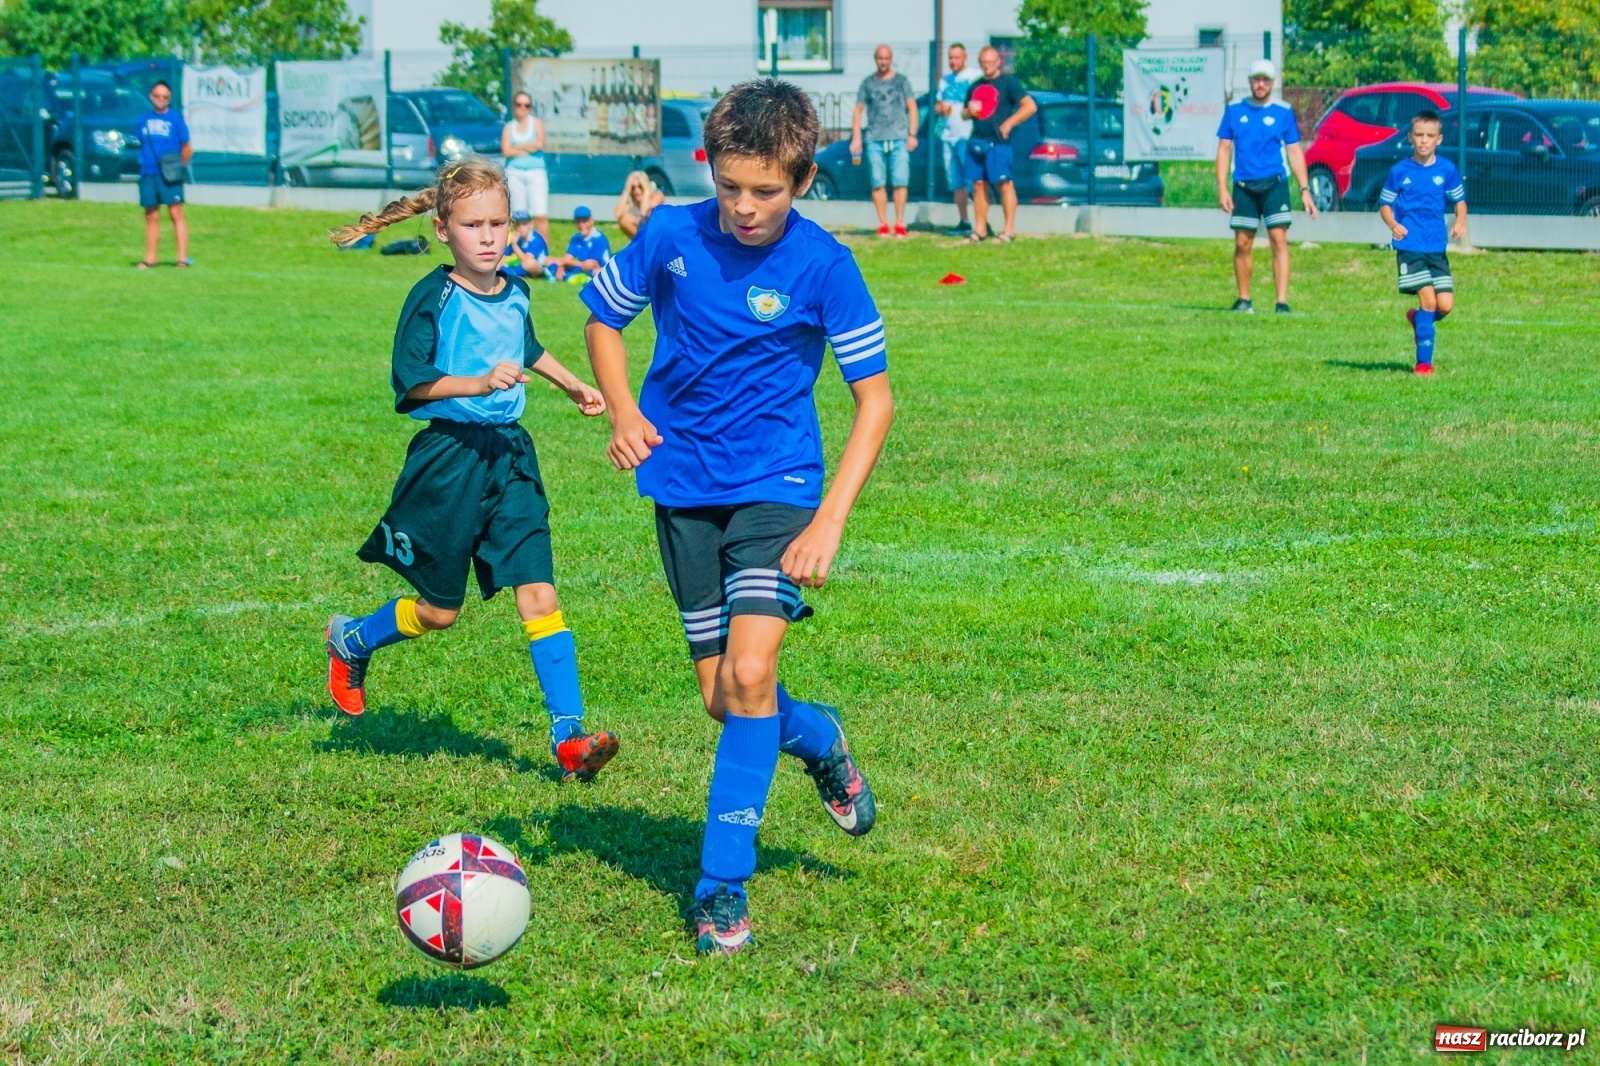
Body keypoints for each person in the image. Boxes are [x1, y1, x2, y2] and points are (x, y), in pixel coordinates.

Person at [581, 80, 894, 955]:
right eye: (731, 187)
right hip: (681, 489)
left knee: (750, 673)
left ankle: (721, 887)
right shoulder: (670, 235)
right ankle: (820, 737)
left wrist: (827, 520)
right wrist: (621, 410)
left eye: (768, 191)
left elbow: (875, 402)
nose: (746, 208)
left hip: (778, 491)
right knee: (726, 699)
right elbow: (604, 321)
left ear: (803, 179)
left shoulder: (825, 264)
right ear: (707, 170)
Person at [322, 158, 619, 784]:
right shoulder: (433, 295)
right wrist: (479, 383)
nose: (488, 236)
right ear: (442, 229)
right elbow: (413, 381)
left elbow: (526, 345)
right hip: (449, 460)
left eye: (498, 223)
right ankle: (353, 641)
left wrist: (571, 384)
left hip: (511, 457)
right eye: (472, 225)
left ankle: (568, 737)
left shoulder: (515, 290)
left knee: (538, 589)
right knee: (439, 612)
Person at [1215, 59, 1318, 313]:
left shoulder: (1283, 111)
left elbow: (1294, 151)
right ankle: (1244, 300)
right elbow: (1224, 148)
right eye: (1256, 79)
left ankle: (1281, 302)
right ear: (1250, 81)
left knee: (1279, 240)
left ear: (1272, 83)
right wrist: (1222, 188)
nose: (1260, 84)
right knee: (1242, 242)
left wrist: (1305, 190)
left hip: (1275, 184)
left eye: (1265, 80)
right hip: (1244, 185)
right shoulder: (1234, 110)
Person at [1378, 110, 1468, 376]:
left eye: (1430, 136)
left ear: (1439, 139)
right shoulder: (1400, 171)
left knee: (1445, 306)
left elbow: (1459, 201)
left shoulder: (1447, 170)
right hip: (1410, 247)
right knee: (1428, 302)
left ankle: (1419, 321)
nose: (1424, 141)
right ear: (1410, 137)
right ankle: (1423, 364)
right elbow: (1385, 205)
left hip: (1436, 248)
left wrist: (1460, 219)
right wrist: (1393, 225)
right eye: (1419, 135)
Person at [962, 45, 1035, 243]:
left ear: (998, 62)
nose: (986, 66)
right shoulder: (974, 86)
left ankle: (1008, 231)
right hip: (978, 140)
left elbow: (1030, 106)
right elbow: (963, 113)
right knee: (978, 185)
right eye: (983, 62)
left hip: (999, 142)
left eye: (990, 62)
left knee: (1004, 184)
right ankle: (980, 230)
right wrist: (969, 112)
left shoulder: (1008, 83)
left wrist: (1010, 122)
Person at [850, 45, 918, 239]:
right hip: (874, 138)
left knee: (900, 181)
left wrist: (912, 134)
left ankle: (899, 223)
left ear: (891, 59)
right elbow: (858, 110)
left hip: (899, 137)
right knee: (877, 182)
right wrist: (856, 137)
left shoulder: (901, 81)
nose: (883, 62)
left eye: (886, 58)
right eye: (880, 58)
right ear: (875, 59)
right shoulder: (868, 83)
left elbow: (912, 107)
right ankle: (882, 223)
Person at [136, 81, 192, 269]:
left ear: (170, 99)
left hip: (169, 174)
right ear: (151, 97)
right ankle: (151, 258)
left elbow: (187, 148)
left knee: (175, 212)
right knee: (151, 215)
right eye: (157, 96)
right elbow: (141, 143)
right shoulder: (142, 119)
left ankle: (182, 258)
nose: (161, 100)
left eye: (165, 97)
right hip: (148, 173)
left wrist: (178, 168)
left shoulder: (175, 120)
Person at [933, 43, 979, 235]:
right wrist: (940, 109)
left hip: (967, 136)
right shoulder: (945, 80)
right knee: (956, 182)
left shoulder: (974, 77)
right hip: (948, 136)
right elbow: (937, 106)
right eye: (950, 58)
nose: (953, 61)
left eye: (957, 57)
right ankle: (964, 221)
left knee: (974, 182)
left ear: (965, 57)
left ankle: (981, 223)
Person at [500, 92, 550, 245]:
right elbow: (506, 151)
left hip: (536, 173)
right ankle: (519, 250)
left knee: (540, 215)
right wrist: (528, 147)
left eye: (526, 105)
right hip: (515, 173)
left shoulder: (536, 123)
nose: (523, 108)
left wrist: (517, 148)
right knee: (518, 217)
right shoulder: (509, 127)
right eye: (519, 105)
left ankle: (543, 253)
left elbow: (539, 144)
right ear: (514, 106)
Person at [556, 205, 611, 280]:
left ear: (591, 220)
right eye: (578, 222)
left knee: (595, 272)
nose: (582, 225)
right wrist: (561, 266)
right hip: (581, 267)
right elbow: (567, 258)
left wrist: (567, 263)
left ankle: (572, 277)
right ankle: (576, 277)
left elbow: (591, 263)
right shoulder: (576, 238)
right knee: (550, 262)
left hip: (599, 269)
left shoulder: (599, 239)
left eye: (585, 221)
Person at [503, 210, 557, 281]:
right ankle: (511, 274)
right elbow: (504, 254)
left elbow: (526, 259)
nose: (521, 228)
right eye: (518, 225)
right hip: (523, 265)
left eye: (524, 224)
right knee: (501, 264)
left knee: (529, 263)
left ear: (531, 224)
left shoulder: (536, 238)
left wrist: (514, 245)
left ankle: (513, 274)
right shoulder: (518, 238)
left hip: (538, 265)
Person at [615, 170, 666, 240]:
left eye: (640, 186)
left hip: (659, 236)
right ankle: (641, 244)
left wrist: (646, 191)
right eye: (633, 188)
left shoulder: (657, 196)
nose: (637, 191)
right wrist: (626, 190)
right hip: (643, 236)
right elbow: (617, 214)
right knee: (624, 219)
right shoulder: (631, 201)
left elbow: (644, 212)